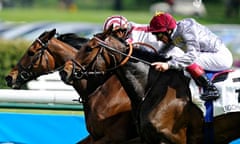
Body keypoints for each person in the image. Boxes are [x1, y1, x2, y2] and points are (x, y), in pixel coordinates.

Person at [147, 11, 233, 101]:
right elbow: (163, 51)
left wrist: (168, 65)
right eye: (155, 35)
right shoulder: (174, 33)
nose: (157, 39)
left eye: (159, 35)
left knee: (185, 59)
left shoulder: (186, 29)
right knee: (179, 58)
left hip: (221, 57)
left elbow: (192, 56)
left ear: (168, 30)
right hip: (208, 54)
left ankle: (211, 88)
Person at [103, 15, 184, 62]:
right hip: (157, 57)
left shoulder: (133, 33)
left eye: (114, 34)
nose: (113, 37)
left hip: (172, 55)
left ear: (122, 29)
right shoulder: (128, 32)